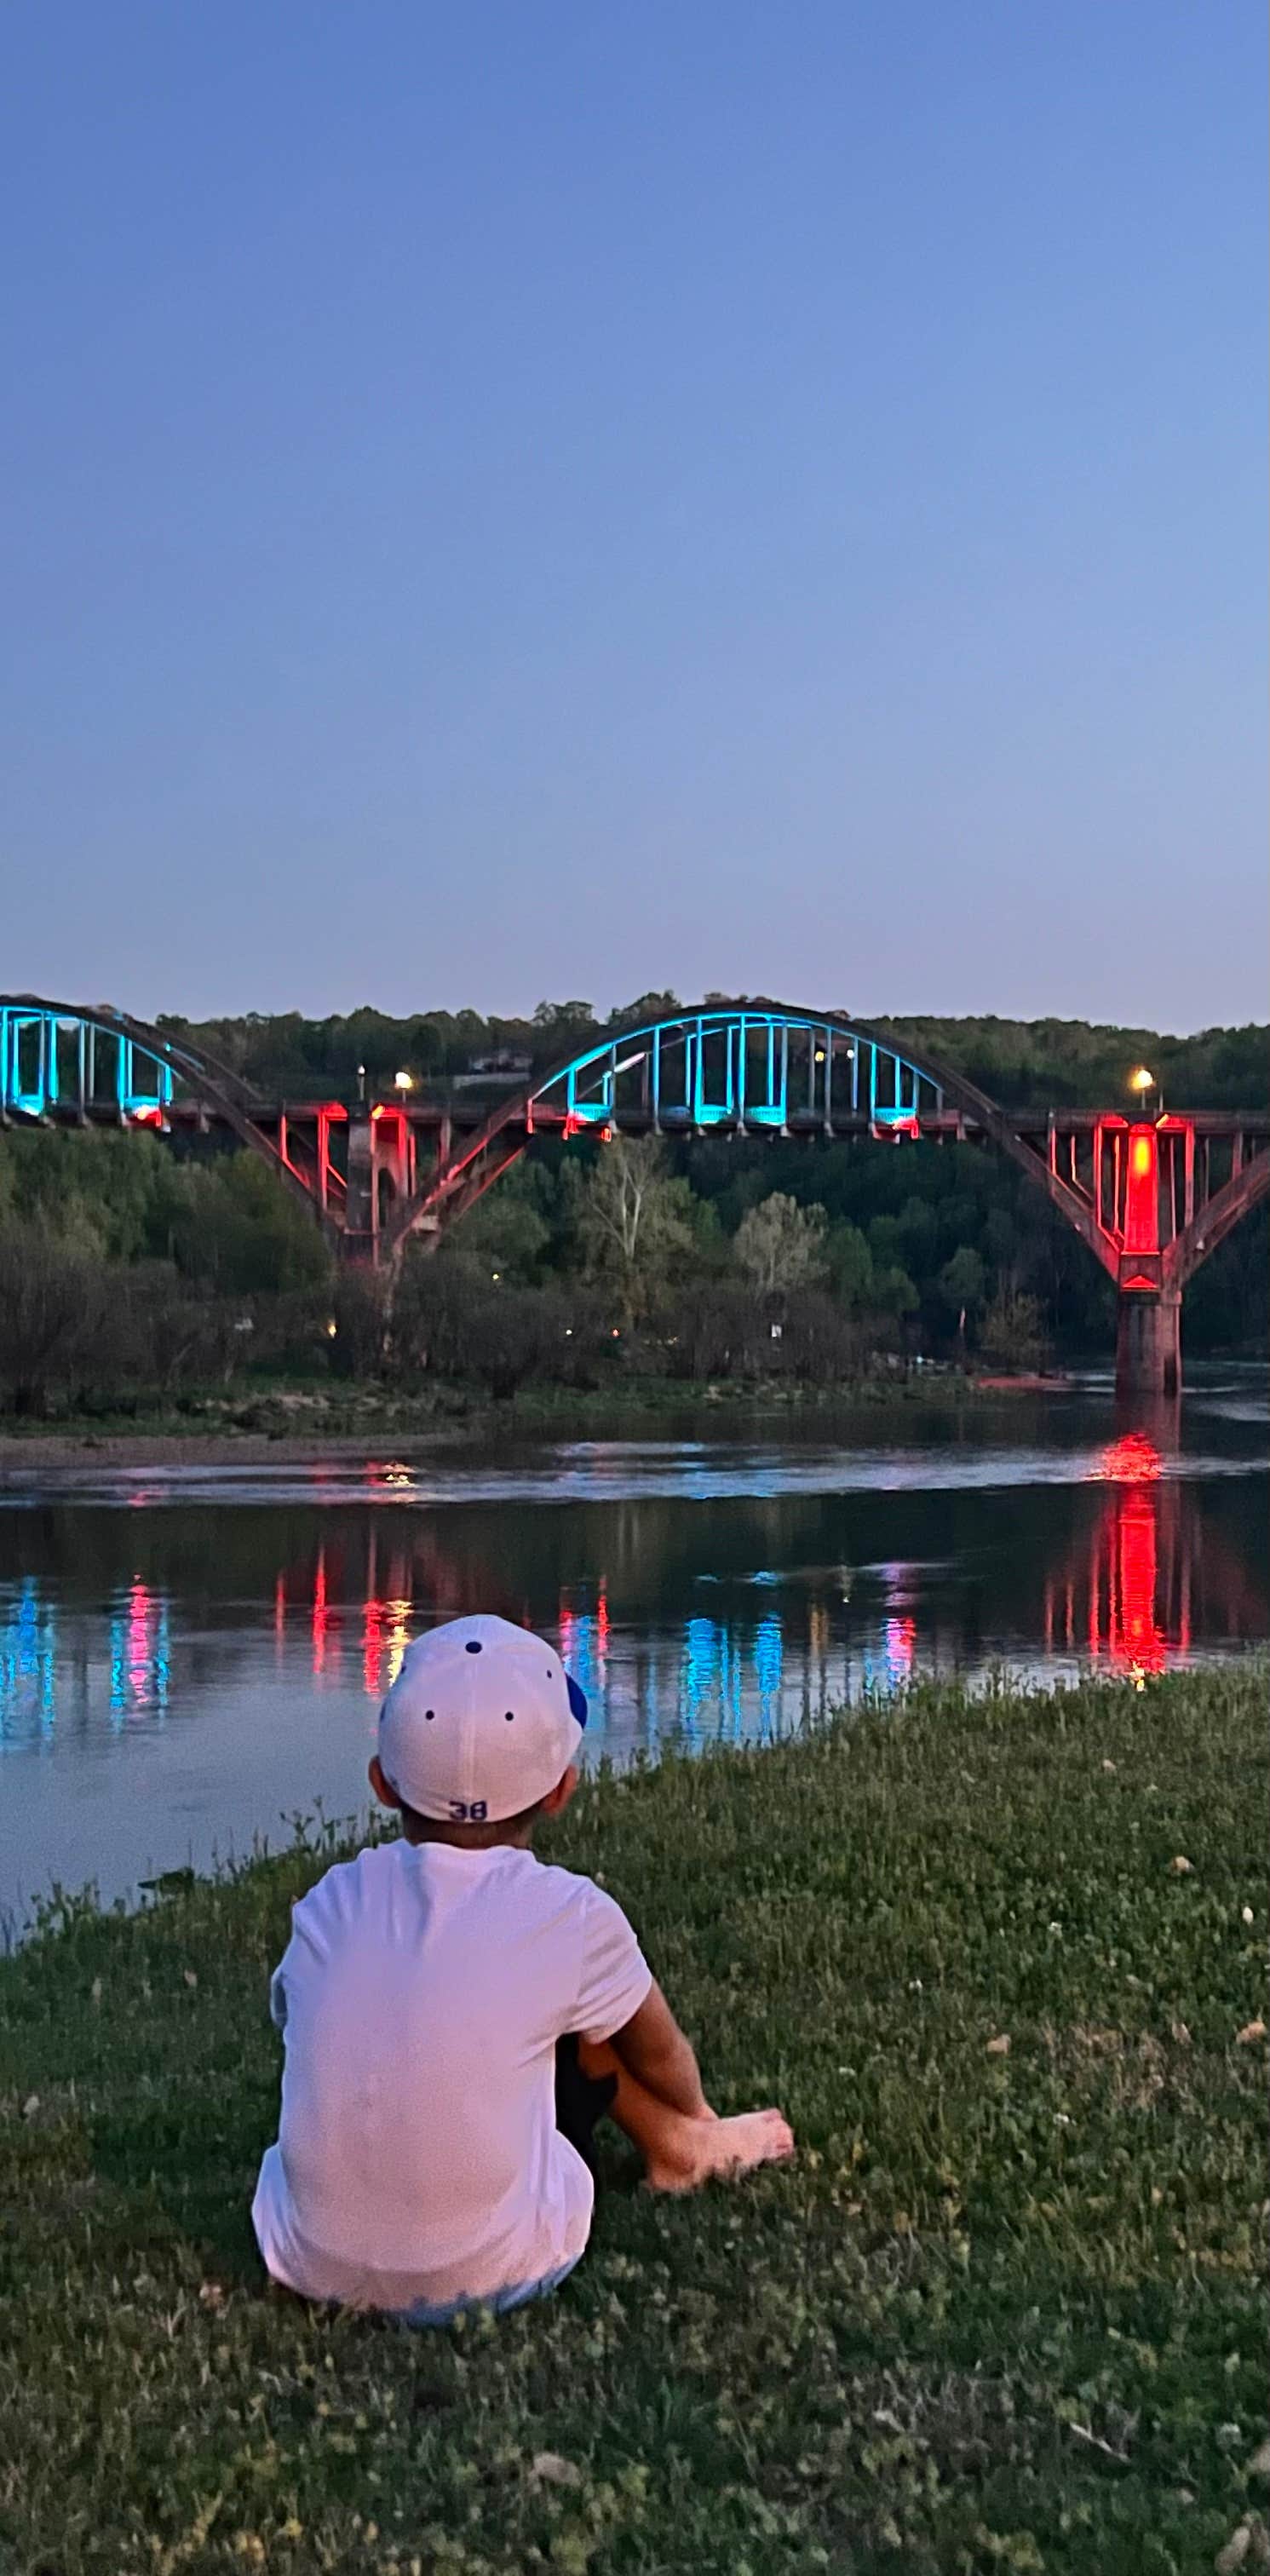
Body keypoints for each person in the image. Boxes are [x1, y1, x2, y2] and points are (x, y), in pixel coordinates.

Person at [252, 1613, 794, 2322]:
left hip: (307, 2261)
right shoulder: (568, 1913)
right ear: (561, 1788)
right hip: (495, 2269)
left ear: (382, 1783)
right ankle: (682, 2144)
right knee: (578, 2022)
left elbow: (296, 2022)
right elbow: (661, 2054)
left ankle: (673, 2145)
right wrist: (693, 2110)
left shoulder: (328, 1903)